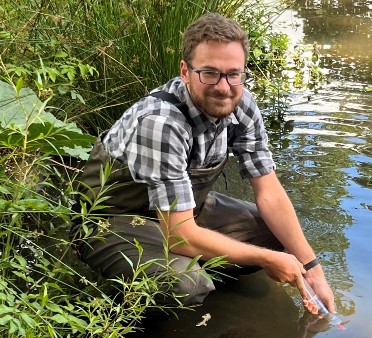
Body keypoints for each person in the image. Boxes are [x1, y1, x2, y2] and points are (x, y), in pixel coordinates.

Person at [70, 12, 335, 316]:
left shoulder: (242, 104)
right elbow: (180, 233)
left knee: (280, 238)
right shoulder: (162, 123)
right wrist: (265, 260)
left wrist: (312, 268)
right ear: (185, 71)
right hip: (114, 221)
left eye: (233, 74)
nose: (224, 87)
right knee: (187, 284)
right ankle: (139, 293)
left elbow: (270, 193)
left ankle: (201, 274)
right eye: (209, 73)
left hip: (182, 212)